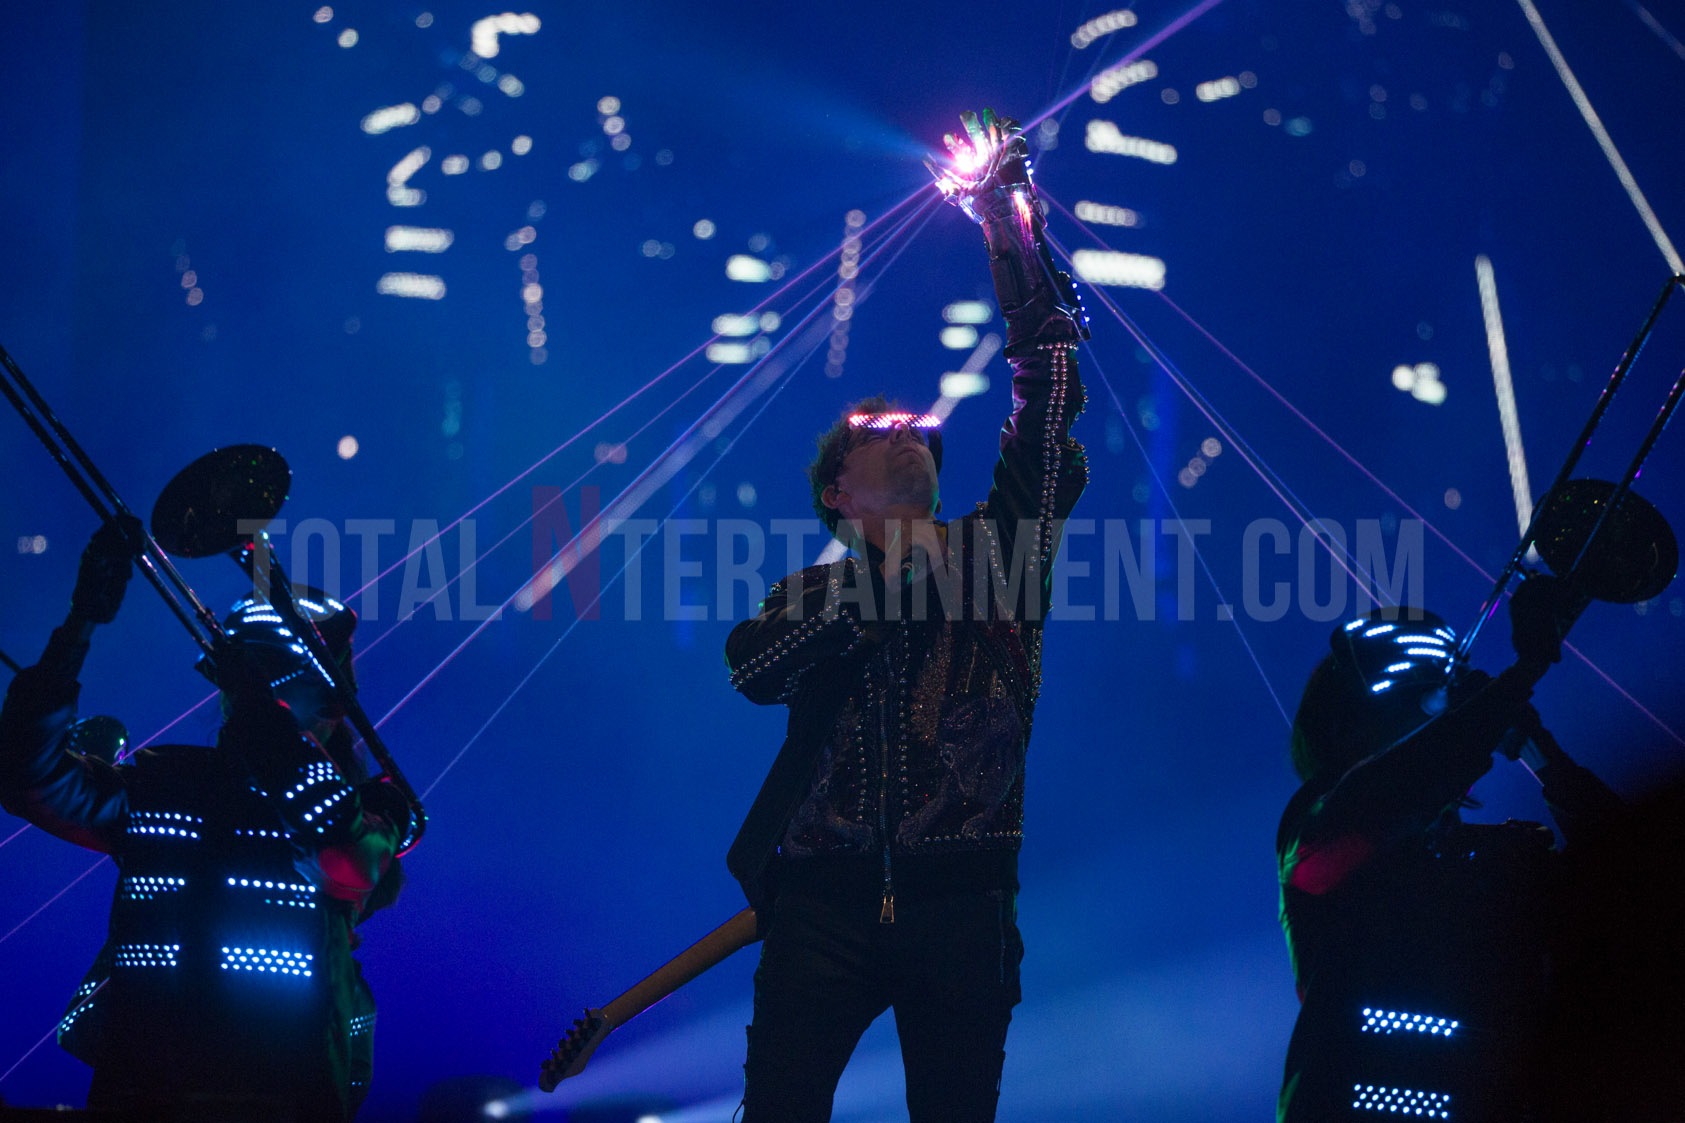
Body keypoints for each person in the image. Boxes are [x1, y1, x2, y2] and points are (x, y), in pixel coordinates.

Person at [723, 109, 1088, 1123]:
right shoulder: (806, 598)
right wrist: (883, 589)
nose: (908, 432)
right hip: (821, 907)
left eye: (920, 428)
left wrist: (1008, 223)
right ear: (835, 493)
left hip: (961, 905)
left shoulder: (999, 556)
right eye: (877, 429)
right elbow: (750, 669)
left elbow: (1052, 391)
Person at [0, 515, 412, 1121]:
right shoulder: (164, 778)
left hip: (283, 1101)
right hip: (140, 1093)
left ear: (330, 699)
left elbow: (338, 854)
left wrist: (256, 711)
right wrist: (79, 625)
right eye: (247, 672)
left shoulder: (371, 810)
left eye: (269, 673)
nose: (243, 688)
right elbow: (27, 778)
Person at [1275, 578, 1623, 1122]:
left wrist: (1539, 748)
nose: (1439, 722)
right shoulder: (1318, 825)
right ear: (1351, 726)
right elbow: (1398, 787)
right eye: (1418, 709)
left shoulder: (1494, 854)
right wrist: (1517, 680)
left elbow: (1631, 880)